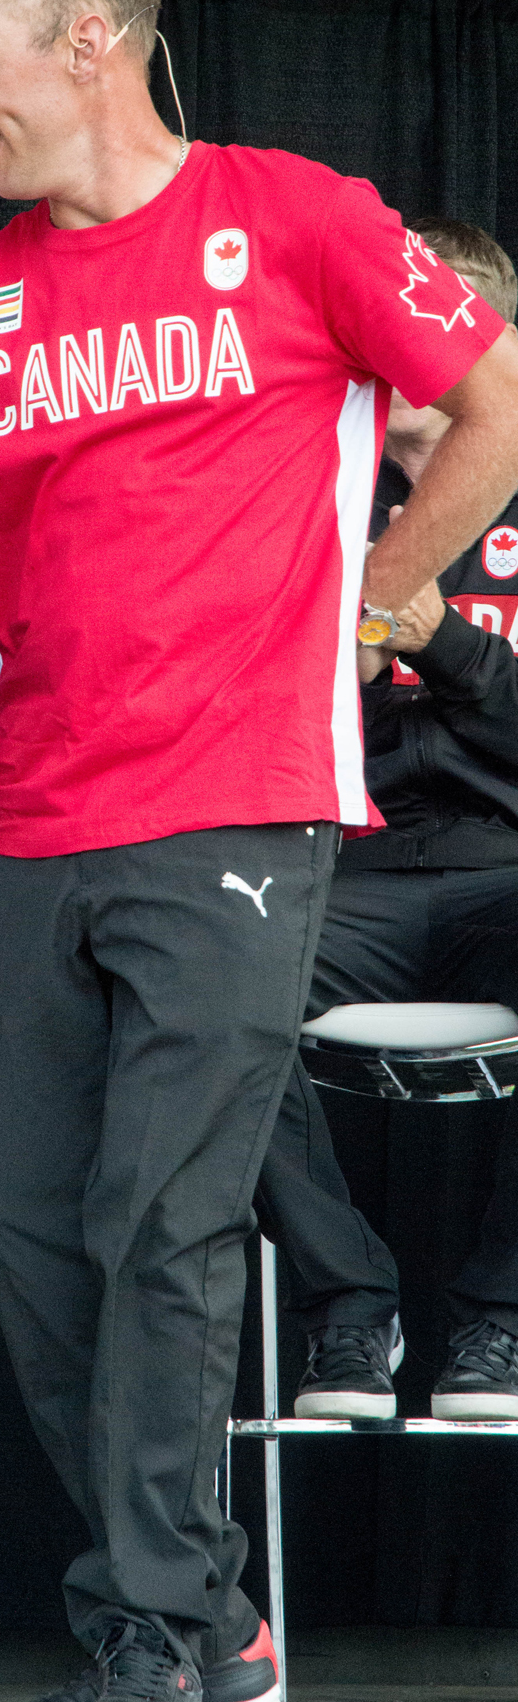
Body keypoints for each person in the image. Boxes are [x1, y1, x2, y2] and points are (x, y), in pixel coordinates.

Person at [0, 0, 518, 1702]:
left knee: (162, 1222)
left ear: (87, 47)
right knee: (25, 1227)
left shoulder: (292, 216)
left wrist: (376, 592)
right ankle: (211, 1627)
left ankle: (147, 1639)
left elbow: (493, 399)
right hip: (32, 816)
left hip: (240, 800)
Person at [254, 218, 518, 1424]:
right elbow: (236, 726)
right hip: (340, 871)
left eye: (433, 321)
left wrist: (442, 641)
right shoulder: (304, 494)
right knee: (198, 977)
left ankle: (497, 1323)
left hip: (499, 876)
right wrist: (338, 683)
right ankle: (346, 1308)